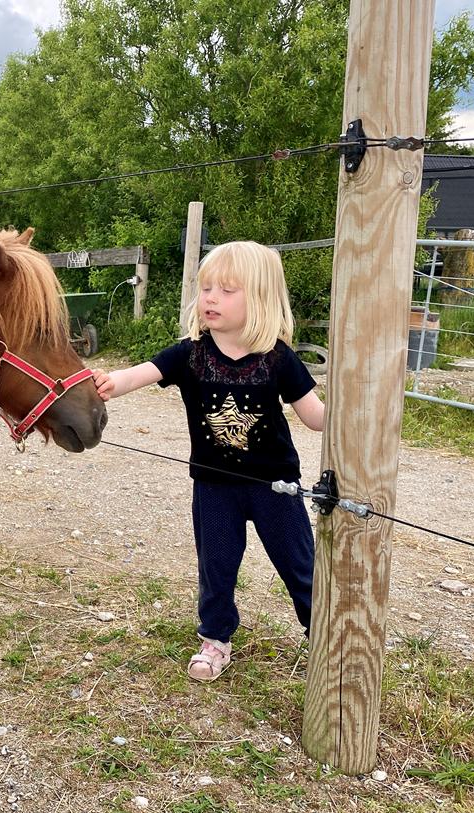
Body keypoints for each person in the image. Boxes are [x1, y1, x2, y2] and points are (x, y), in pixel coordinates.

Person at [93, 241, 324, 682]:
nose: (211, 298)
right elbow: (138, 373)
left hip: (275, 486)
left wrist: (354, 416)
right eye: (206, 289)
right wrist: (106, 381)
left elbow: (314, 416)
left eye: (227, 290)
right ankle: (216, 638)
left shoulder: (278, 358)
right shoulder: (190, 353)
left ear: (259, 298)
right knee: (216, 564)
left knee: (300, 564)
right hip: (214, 487)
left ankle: (325, 637)